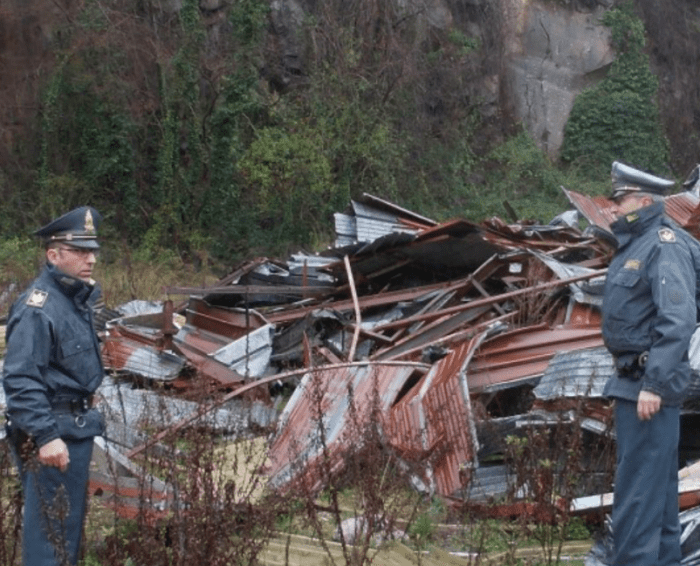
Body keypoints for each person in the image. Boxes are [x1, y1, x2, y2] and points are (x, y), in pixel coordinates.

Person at [601, 162, 699, 566]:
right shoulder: (639, 244)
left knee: (637, 503)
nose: (613, 209)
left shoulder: (662, 245)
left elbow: (676, 320)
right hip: (636, 384)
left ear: (644, 201)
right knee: (656, 503)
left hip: (648, 388)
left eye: (620, 200)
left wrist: (654, 384)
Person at [3, 206, 106, 565]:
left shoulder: (72, 301)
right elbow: (19, 376)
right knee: (50, 541)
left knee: (66, 536)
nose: (90, 258)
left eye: (92, 250)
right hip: (53, 435)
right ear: (54, 255)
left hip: (72, 430)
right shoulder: (40, 306)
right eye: (79, 251)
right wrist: (46, 436)